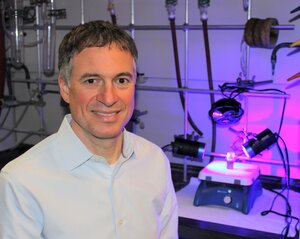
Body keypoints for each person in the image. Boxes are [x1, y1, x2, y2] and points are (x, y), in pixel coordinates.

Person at [0, 20, 178, 239]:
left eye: (121, 80)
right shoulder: (22, 181)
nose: (109, 98)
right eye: (92, 80)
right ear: (65, 88)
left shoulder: (155, 162)